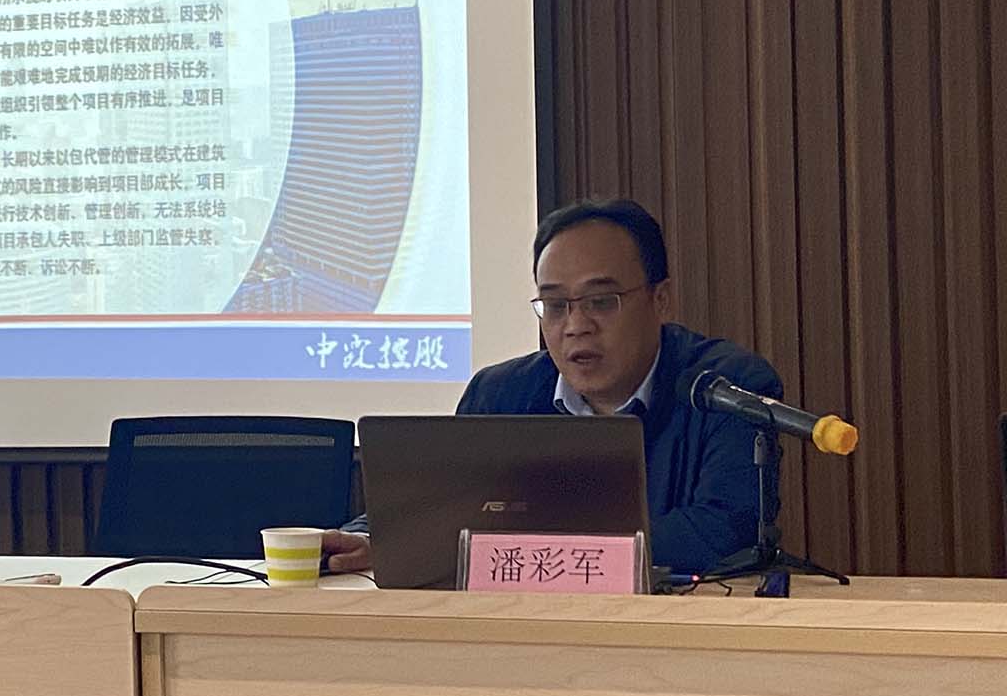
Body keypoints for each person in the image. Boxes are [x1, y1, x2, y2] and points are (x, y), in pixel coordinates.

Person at [323, 198, 782, 575]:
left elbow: (723, 528)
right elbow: (440, 504)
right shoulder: (500, 395)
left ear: (659, 300)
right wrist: (373, 537)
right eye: (556, 305)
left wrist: (544, 552)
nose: (576, 326)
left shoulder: (727, 390)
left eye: (601, 301)